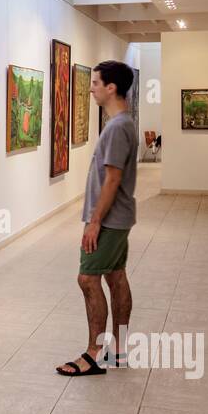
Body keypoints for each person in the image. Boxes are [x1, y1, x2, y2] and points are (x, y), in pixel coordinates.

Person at [58, 60, 137, 376]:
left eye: (94, 83)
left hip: (109, 219)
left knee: (87, 279)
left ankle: (94, 353)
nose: (90, 89)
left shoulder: (117, 127)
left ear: (110, 87)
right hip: (119, 218)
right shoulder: (123, 124)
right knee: (115, 276)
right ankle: (118, 349)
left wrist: (94, 221)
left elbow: (112, 179)